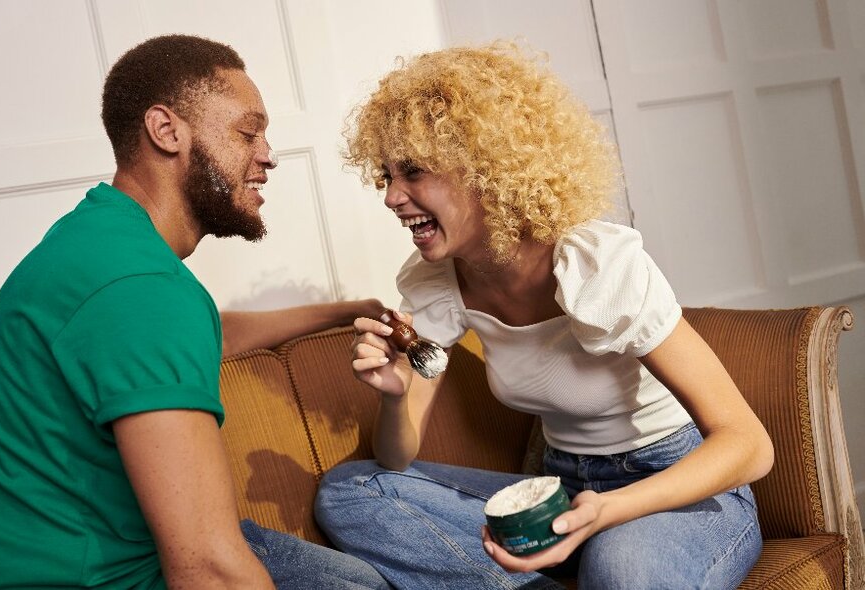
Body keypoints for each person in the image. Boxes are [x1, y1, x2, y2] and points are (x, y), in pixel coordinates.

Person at [314, 42, 775, 589]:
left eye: (413, 171)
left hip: (670, 488)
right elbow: (396, 458)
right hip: (557, 491)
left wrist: (607, 512)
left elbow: (748, 445)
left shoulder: (597, 267)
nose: (392, 197)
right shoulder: (437, 282)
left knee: (621, 568)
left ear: (487, 168)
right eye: (385, 176)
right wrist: (394, 397)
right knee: (352, 491)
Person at [0, 34, 390, 589]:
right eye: (248, 132)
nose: (269, 154)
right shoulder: (141, 290)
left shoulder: (102, 241)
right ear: (167, 130)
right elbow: (207, 569)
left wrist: (347, 311)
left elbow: (204, 335)